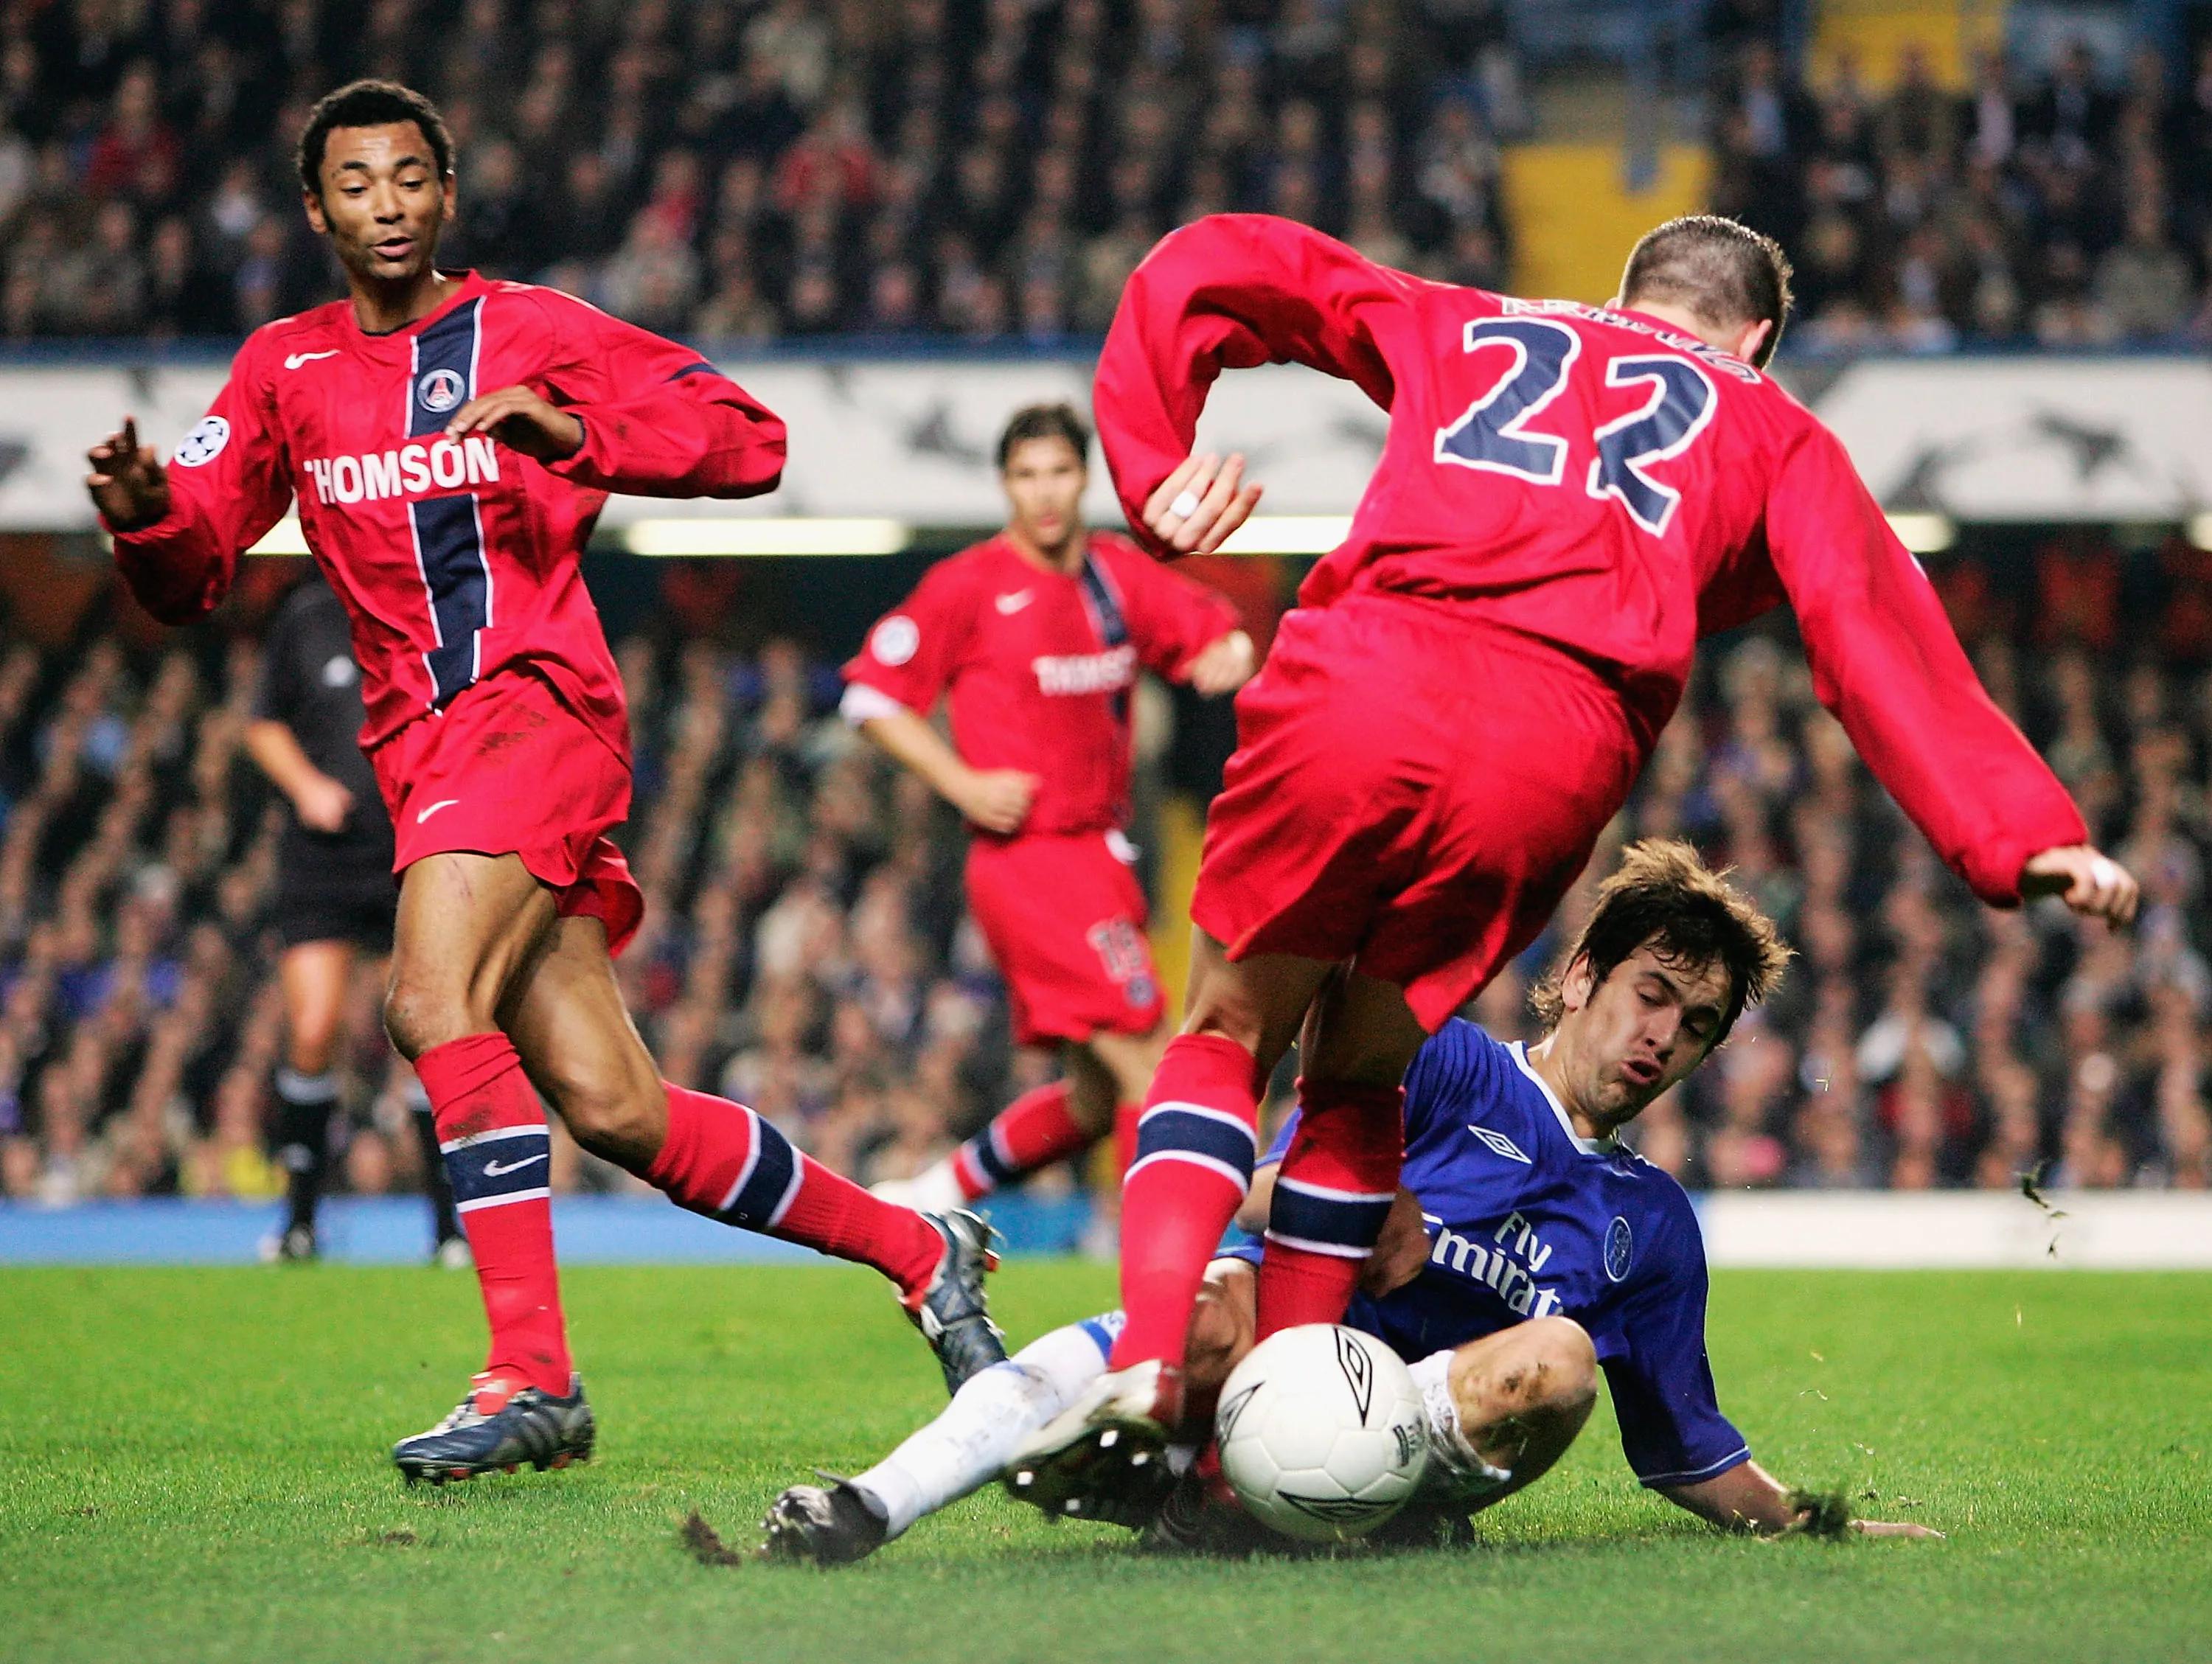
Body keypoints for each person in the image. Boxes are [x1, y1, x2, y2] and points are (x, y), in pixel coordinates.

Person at [1018, 212, 2140, 1491]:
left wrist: (1151, 464)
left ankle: (1152, 1365)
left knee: (1226, 1034)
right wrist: (2019, 835)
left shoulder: (1467, 319)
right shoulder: (1777, 430)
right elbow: (1867, 621)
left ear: (1625, 295)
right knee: (1362, 1078)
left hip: (1368, 673)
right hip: (1552, 743)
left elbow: (1222, 262)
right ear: (1756, 340)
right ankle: (1253, 1465)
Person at [86, 79, 1003, 1486]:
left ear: (448, 192)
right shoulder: (282, 369)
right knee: (618, 1108)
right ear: (317, 209)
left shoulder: (535, 328)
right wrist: (149, 516)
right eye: (356, 184)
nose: (388, 206)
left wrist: (581, 437)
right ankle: (920, 1248)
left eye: (411, 177)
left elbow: (751, 437)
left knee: (425, 1000)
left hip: (535, 712)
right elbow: (192, 567)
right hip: (421, 759)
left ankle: (533, 1374)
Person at [758, 842, 1941, 1563]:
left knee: (1563, 1359)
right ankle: (870, 1504)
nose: (1662, 1036)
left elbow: (1687, 1450)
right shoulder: (1448, 1062)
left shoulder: (1656, 1226)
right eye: (1653, 993)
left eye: (1696, 1026)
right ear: (1582, 977)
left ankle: (1253, 1498)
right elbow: (1260, 1195)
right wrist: (1364, 1201)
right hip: (1278, 1356)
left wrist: (1817, 1523)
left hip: (1419, 1447)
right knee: (1205, 1314)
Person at [849, 402, 1253, 1214]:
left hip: (1102, 852)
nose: (1044, 491)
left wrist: (1231, 652)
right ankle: (1162, 1260)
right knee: (1151, 1063)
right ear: (1004, 485)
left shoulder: (1113, 574)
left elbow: (1219, 634)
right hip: (1030, 858)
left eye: (1060, 472)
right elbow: (871, 696)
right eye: (1026, 475)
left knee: (1097, 1099)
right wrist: (962, 783)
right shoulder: (969, 585)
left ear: (1084, 479)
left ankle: (938, 1193)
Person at [243, 566, 463, 1265]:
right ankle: (300, 1222)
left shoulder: (435, 611)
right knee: (312, 1030)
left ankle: (449, 1228)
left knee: (427, 1037)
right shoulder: (309, 617)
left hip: (416, 851)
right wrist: (307, 786)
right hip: (325, 858)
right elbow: (263, 723)